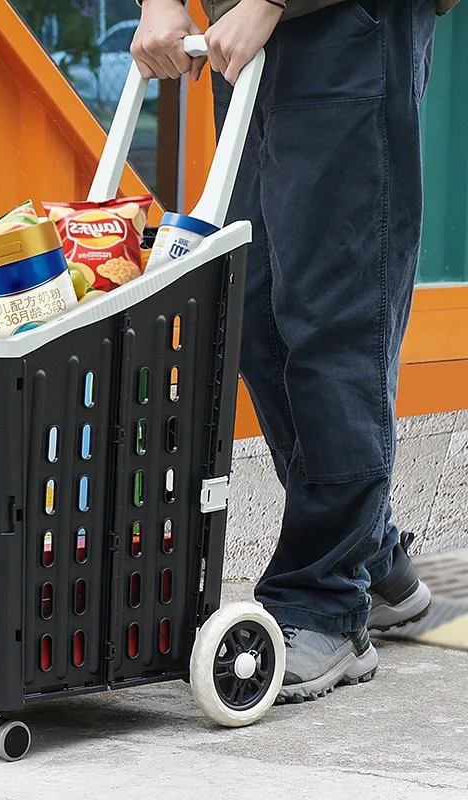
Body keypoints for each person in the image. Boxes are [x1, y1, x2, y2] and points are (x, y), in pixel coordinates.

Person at [131, 0, 457, 702]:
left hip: (348, 24)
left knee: (335, 315)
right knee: (254, 312)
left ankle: (326, 598)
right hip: (241, 33)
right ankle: (370, 554)